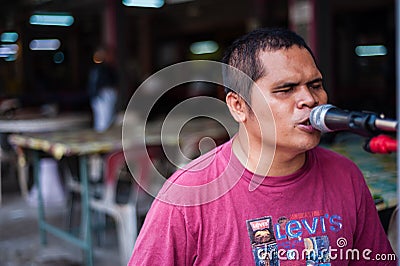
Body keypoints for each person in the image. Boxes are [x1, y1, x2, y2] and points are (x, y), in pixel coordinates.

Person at [128, 28, 397, 265]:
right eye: (286, 89)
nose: (309, 99)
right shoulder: (187, 196)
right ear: (238, 106)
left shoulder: (346, 175)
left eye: (315, 85)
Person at [87, 45, 118, 132]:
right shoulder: (96, 68)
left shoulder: (108, 68)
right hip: (99, 95)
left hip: (106, 94)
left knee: (107, 118)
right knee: (101, 119)